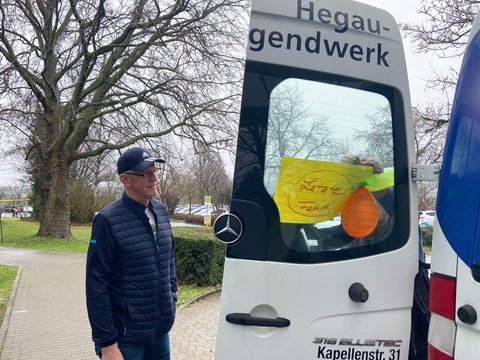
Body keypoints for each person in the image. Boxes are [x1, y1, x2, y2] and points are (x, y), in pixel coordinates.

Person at [86, 147, 177, 360]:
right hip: (125, 340)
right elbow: (96, 286)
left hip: (159, 334)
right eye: (146, 173)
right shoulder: (107, 220)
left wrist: (171, 295)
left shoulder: (161, 211)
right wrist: (107, 344)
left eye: (155, 171)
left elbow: (169, 258)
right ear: (125, 180)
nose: (154, 178)